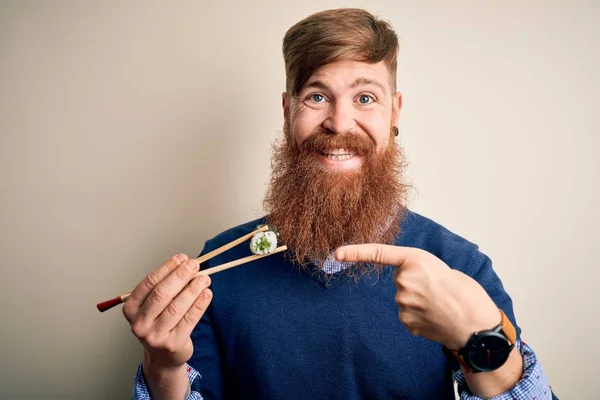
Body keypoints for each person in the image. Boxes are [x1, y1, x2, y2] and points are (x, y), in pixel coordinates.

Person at [123, 8, 556, 400]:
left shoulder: (459, 266)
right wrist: (163, 368)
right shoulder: (215, 273)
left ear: (394, 112)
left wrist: (480, 343)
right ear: (287, 110)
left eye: (365, 98)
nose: (339, 122)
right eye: (316, 96)